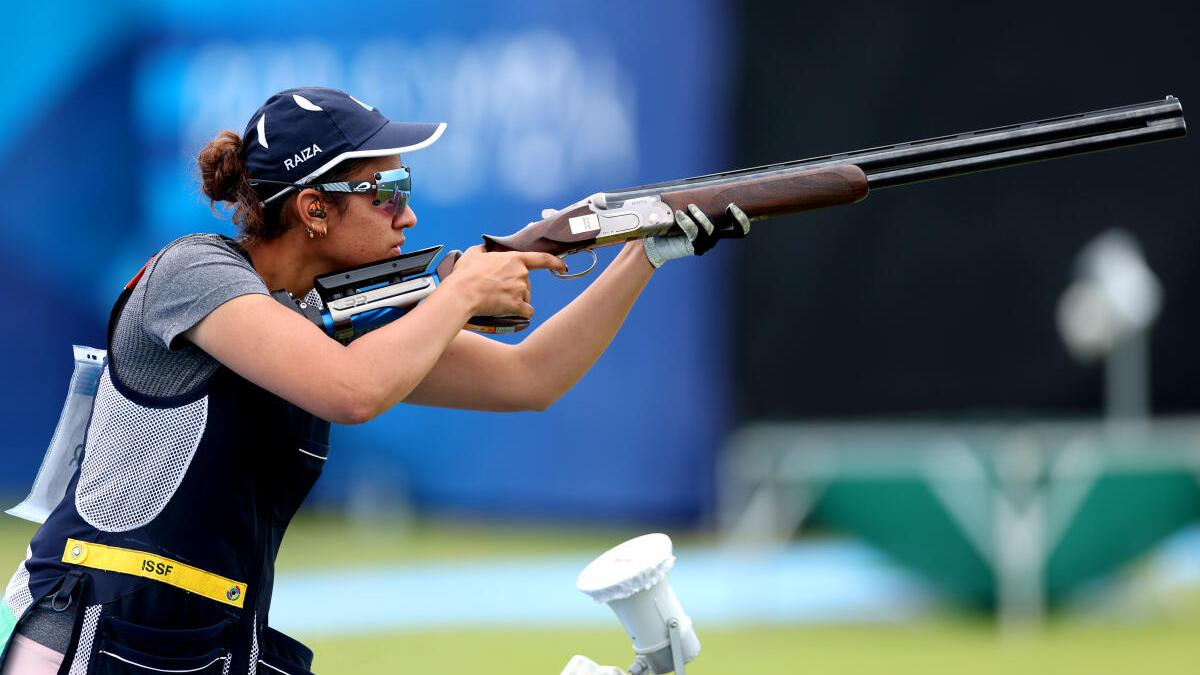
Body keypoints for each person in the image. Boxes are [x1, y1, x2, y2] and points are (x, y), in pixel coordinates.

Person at [0, 86, 748, 674]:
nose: (409, 211)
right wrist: (459, 293)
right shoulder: (193, 273)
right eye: (387, 189)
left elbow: (530, 376)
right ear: (314, 209)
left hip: (208, 641)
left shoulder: (327, 316)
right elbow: (350, 392)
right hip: (94, 632)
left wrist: (643, 255)